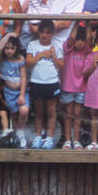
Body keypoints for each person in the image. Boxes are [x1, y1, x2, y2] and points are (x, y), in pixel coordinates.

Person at [26, 19, 64, 149]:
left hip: (52, 82)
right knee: (38, 112)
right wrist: (41, 54)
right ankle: (38, 137)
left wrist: (53, 56)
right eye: (42, 32)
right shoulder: (32, 45)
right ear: (39, 32)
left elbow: (62, 66)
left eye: (48, 33)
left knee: (51, 112)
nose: (44, 35)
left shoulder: (57, 47)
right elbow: (28, 62)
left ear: (52, 33)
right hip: (36, 82)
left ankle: (49, 138)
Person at [59, 25, 93, 148]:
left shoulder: (87, 51)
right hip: (68, 87)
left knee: (78, 114)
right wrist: (77, 22)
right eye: (77, 40)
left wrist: (88, 22)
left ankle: (77, 140)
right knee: (68, 114)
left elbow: (89, 39)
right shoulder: (68, 49)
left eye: (82, 40)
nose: (79, 43)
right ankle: (68, 140)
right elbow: (72, 38)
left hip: (81, 88)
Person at [0, 31, 29, 143]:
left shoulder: (20, 59)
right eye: (7, 48)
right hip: (9, 92)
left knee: (24, 110)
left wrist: (22, 94)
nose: (9, 51)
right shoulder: (3, 59)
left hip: (20, 91)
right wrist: (8, 35)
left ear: (16, 48)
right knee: (14, 115)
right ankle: (17, 137)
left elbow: (24, 77)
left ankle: (20, 131)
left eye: (12, 48)